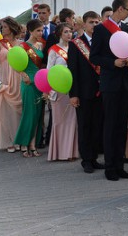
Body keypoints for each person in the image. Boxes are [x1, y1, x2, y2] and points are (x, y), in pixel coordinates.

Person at [90, 0, 128, 181]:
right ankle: (110, 167)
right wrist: (113, 62)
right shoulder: (101, 29)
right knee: (110, 125)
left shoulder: (126, 28)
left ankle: (120, 165)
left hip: (125, 81)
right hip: (110, 82)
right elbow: (94, 57)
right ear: (119, 9)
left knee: (122, 125)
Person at [68, 11, 104, 174]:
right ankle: (86, 159)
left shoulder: (103, 41)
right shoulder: (76, 44)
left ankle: (94, 157)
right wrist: (73, 94)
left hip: (101, 90)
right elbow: (73, 71)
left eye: (97, 22)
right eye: (91, 22)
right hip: (83, 91)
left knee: (97, 125)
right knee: (85, 126)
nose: (94, 25)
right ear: (84, 24)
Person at [0, 17, 23, 152]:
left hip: (17, 76)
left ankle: (18, 138)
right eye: (2, 27)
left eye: (5, 27)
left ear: (12, 28)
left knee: (16, 110)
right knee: (3, 109)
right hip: (3, 76)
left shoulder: (20, 43)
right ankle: (8, 140)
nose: (2, 29)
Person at [46, 23, 79, 161]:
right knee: (59, 121)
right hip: (58, 89)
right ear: (60, 34)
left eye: (70, 31)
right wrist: (48, 90)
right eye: (66, 32)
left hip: (71, 88)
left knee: (72, 120)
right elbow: (49, 70)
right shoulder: (54, 50)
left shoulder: (75, 48)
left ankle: (71, 152)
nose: (69, 34)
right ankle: (58, 153)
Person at [13, 19, 46, 157]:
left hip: (40, 82)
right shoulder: (22, 47)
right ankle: (23, 144)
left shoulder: (40, 45)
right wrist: (22, 74)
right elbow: (14, 63)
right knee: (29, 113)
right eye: (38, 30)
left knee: (38, 115)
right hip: (28, 83)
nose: (41, 33)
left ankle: (33, 144)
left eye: (42, 30)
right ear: (30, 31)